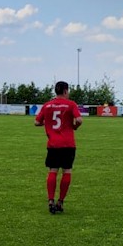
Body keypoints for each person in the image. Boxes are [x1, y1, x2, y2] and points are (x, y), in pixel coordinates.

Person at [35, 81, 83, 214]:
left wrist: (48, 123)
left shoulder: (47, 105)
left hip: (53, 144)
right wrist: (74, 126)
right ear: (66, 91)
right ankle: (60, 201)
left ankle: (50, 200)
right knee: (66, 171)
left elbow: (36, 122)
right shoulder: (71, 104)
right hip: (68, 144)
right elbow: (79, 120)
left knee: (53, 171)